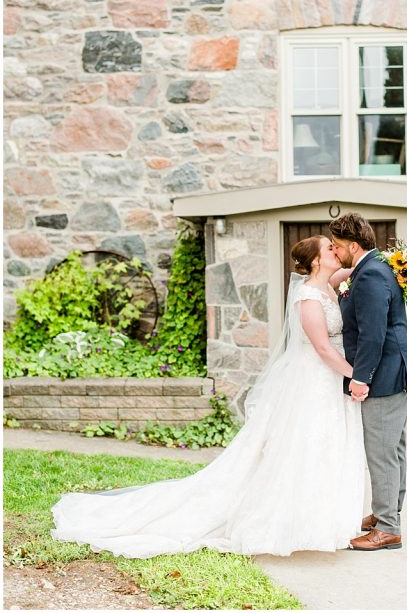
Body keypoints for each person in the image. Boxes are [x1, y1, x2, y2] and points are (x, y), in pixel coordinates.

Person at [51, 236, 366, 558]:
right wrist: (355, 376)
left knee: (326, 446)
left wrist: (397, 262)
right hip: (315, 377)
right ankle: (287, 523)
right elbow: (323, 348)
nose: (336, 251)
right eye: (329, 248)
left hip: (328, 380)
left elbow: (361, 266)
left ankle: (322, 520)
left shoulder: (328, 284)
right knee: (304, 447)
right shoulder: (309, 297)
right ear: (315, 261)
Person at [329, 213, 407, 551]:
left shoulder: (369, 276)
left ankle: (387, 528)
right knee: (393, 449)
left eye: (338, 246)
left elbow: (372, 336)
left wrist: (359, 379)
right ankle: (387, 515)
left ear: (353, 245)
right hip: (396, 371)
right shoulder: (375, 267)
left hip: (384, 375)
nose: (335, 252)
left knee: (382, 453)